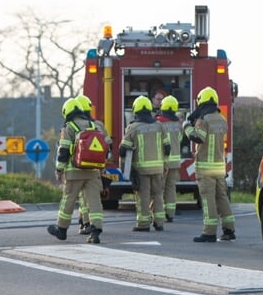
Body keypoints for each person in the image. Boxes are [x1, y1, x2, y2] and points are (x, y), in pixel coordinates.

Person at [47, 98, 106, 244]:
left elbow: (64, 151)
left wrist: (59, 169)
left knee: (68, 199)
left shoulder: (69, 127)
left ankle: (61, 229)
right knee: (94, 201)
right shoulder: (93, 125)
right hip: (92, 171)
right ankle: (95, 231)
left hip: (74, 172)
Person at [185, 87, 235, 242]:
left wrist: (186, 127)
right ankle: (229, 230)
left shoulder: (203, 119)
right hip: (219, 167)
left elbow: (199, 137)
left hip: (205, 168)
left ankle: (209, 232)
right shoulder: (222, 119)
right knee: (222, 198)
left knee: (208, 199)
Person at [118, 95, 170, 231]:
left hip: (142, 170)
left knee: (143, 196)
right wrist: (165, 165)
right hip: (158, 168)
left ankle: (143, 224)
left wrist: (125, 168)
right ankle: (159, 222)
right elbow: (167, 147)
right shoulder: (159, 126)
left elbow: (123, 150)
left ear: (136, 110)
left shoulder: (133, 127)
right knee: (158, 195)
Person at [74, 94, 113, 235]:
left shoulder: (73, 125)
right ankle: (94, 224)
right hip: (97, 167)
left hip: (79, 167)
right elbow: (109, 144)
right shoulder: (99, 125)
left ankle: (85, 223)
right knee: (94, 196)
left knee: (83, 197)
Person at [156, 95, 183, 222]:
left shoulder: (159, 122)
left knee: (159, 188)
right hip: (175, 161)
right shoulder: (178, 124)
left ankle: (159, 214)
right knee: (171, 188)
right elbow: (181, 139)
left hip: (163, 161)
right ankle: (170, 214)